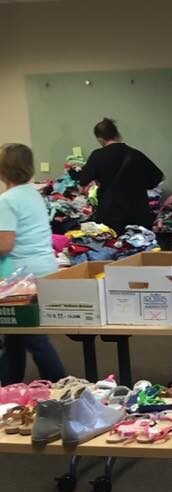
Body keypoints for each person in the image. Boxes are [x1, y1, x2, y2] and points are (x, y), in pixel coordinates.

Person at [0, 143, 66, 384]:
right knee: (14, 336)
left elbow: (5, 244)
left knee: (32, 338)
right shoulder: (33, 194)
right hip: (43, 268)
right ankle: (8, 387)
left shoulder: (6, 201)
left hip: (20, 277)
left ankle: (61, 384)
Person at [69, 118, 163, 235]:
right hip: (139, 214)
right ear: (117, 134)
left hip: (111, 215)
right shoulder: (135, 154)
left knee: (114, 250)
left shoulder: (97, 156)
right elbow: (158, 178)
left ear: (99, 138)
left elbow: (83, 184)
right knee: (140, 249)